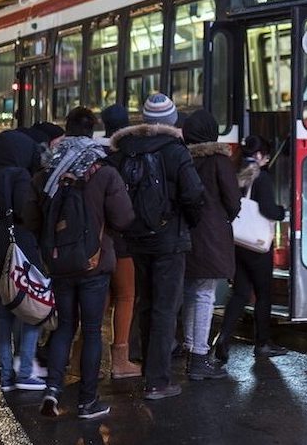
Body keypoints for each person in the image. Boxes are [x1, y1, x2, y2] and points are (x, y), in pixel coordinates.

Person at [25, 107, 134, 420]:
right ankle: (87, 402)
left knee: (64, 328)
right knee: (91, 330)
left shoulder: (46, 171)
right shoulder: (104, 170)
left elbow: (31, 218)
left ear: (66, 130)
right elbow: (124, 217)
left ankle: (52, 391)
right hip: (94, 263)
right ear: (92, 132)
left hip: (58, 263)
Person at [108, 92, 204, 400]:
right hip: (169, 239)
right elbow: (193, 194)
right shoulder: (176, 151)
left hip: (136, 238)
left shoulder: (124, 150)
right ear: (172, 120)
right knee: (165, 308)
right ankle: (158, 381)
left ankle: (148, 369)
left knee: (146, 303)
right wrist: (188, 221)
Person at [0, 130, 47, 393]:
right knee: (32, 308)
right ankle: (25, 372)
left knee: (3, 312)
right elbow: (25, 210)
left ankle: (6, 374)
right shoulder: (21, 175)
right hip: (20, 241)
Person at [214, 135, 286, 362]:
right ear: (258, 156)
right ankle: (263, 342)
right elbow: (267, 210)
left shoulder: (233, 174)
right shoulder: (262, 178)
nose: (266, 159)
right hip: (256, 247)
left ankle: (223, 338)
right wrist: (282, 211)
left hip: (236, 244)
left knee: (240, 293)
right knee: (263, 294)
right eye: (265, 155)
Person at [181, 109, 241, 380]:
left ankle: (191, 348)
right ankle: (199, 357)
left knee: (191, 293)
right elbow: (232, 200)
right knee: (204, 295)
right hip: (211, 236)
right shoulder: (219, 160)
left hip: (185, 233)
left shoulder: (182, 158)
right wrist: (223, 217)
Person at [99, 102, 140, 378]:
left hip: (100, 240)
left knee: (102, 297)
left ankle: (84, 358)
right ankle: (119, 360)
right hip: (124, 240)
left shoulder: (99, 157)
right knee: (126, 296)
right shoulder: (132, 155)